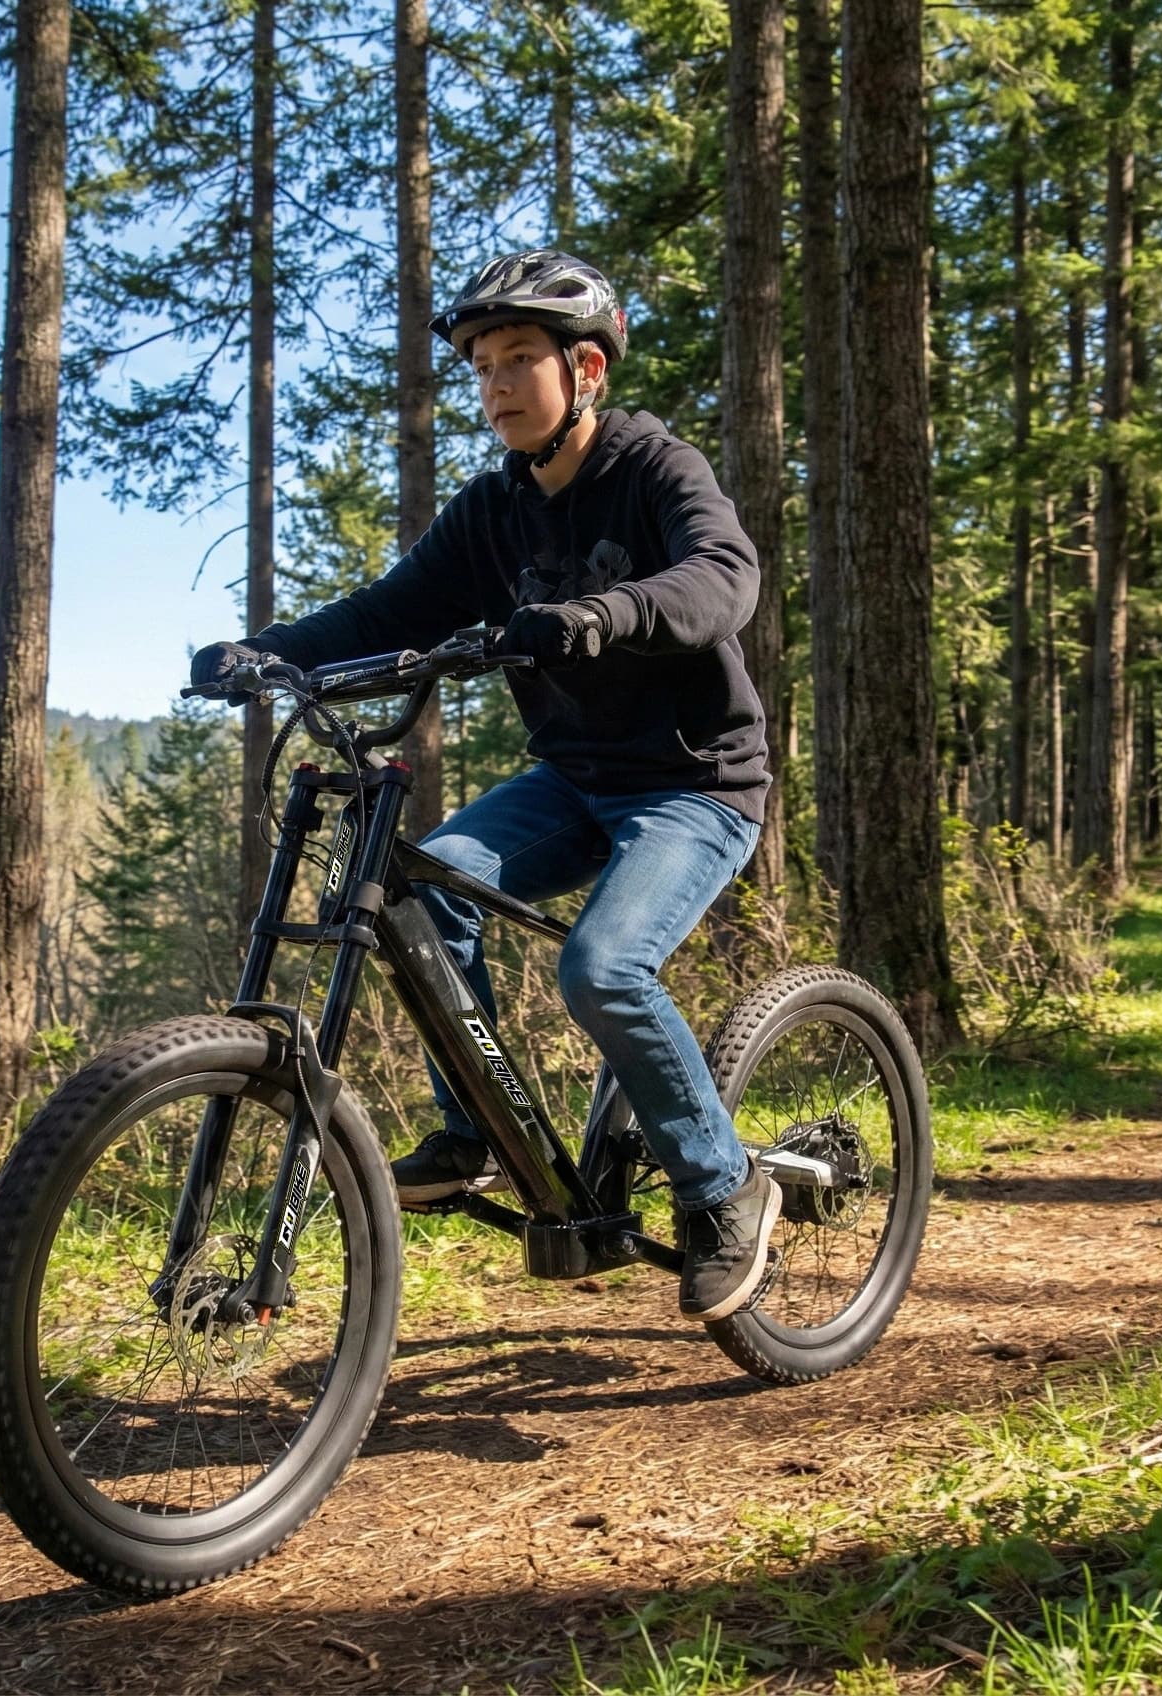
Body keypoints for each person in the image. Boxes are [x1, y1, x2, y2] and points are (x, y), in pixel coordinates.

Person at [189, 250, 777, 1322]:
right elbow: (385, 612)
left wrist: (606, 613)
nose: (496, 383)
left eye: (519, 359)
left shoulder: (653, 467)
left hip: (694, 785)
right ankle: (475, 1133)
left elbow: (720, 577)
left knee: (602, 968)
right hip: (572, 779)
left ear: (584, 368)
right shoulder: (494, 509)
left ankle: (721, 1184)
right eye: (481, 366)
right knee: (427, 885)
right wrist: (264, 652)